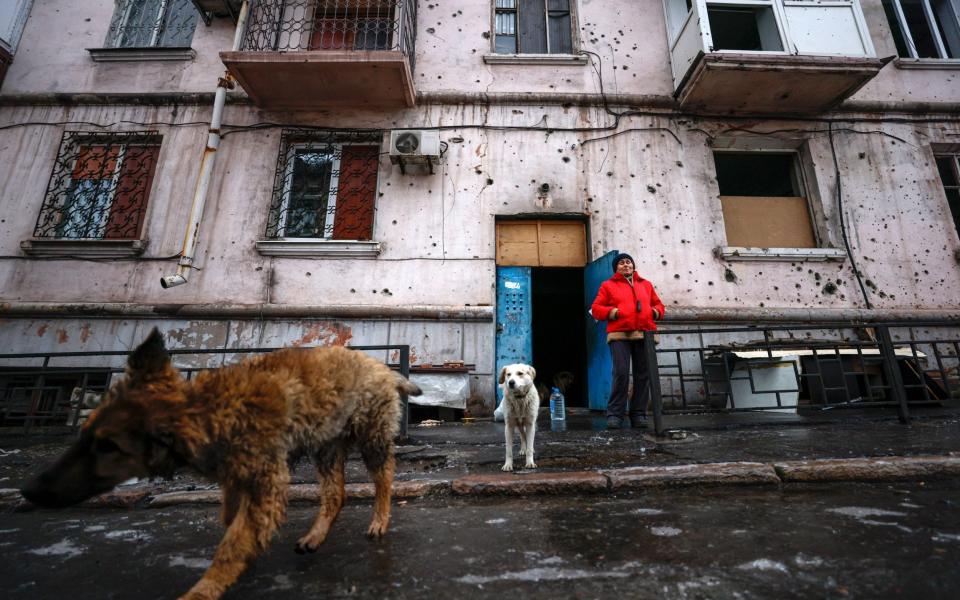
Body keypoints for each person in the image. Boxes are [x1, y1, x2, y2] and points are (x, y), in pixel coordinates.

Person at [590, 253, 665, 429]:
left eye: (628, 262)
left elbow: (659, 305)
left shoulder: (645, 284)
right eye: (621, 263)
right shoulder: (608, 285)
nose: (626, 265)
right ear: (616, 268)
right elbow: (596, 309)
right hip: (620, 335)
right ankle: (615, 415)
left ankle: (638, 414)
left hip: (645, 333)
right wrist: (614, 312)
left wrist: (654, 312)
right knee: (621, 373)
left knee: (643, 375)